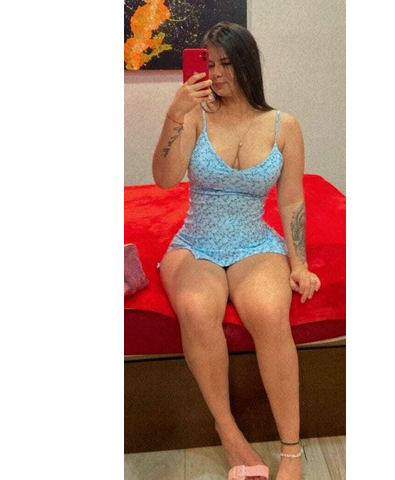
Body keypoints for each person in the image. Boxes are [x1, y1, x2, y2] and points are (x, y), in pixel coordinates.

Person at [152, 22, 321, 480]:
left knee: (270, 314)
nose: (215, 73)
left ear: (247, 64)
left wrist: (300, 263)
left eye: (225, 63)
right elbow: (165, 180)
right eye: (208, 63)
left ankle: (291, 452)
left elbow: (292, 200)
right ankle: (228, 432)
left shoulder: (284, 125)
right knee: (196, 308)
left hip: (254, 242)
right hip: (197, 242)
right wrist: (174, 114)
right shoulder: (194, 115)